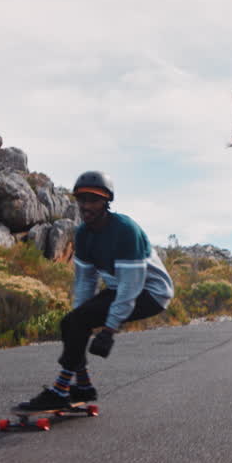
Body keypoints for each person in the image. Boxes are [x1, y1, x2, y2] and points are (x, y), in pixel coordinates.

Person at [18, 170, 175, 409]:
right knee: (71, 323)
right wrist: (79, 319)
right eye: (82, 199)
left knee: (77, 322)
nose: (86, 205)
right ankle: (83, 386)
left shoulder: (125, 230)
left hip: (152, 292)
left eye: (94, 200)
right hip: (121, 289)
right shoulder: (83, 234)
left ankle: (60, 391)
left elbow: (130, 288)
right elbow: (85, 283)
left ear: (106, 202)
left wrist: (109, 330)